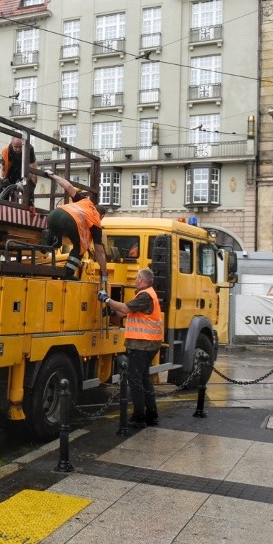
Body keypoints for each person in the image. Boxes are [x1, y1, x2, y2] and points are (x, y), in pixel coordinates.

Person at [98, 268, 164, 427]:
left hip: (142, 344)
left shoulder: (145, 295)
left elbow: (126, 308)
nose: (135, 280)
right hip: (148, 344)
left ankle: (139, 417)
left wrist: (106, 299)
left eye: (136, 278)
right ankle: (151, 415)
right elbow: (124, 313)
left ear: (142, 280)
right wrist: (111, 311)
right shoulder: (146, 295)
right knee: (144, 379)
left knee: (135, 380)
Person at [43, 172, 108, 281]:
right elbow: (99, 251)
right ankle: (68, 273)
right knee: (80, 247)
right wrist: (105, 273)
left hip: (54, 215)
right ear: (101, 215)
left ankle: (48, 238)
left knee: (57, 243)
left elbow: (68, 187)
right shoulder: (96, 221)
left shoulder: (85, 201)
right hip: (69, 222)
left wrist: (53, 175)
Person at [0, 136, 37, 206]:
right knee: (2, 187)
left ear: (23, 144)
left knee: (29, 187)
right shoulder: (7, 150)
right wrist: (1, 178)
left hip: (25, 171)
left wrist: (27, 179)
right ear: (11, 144)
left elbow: (33, 168)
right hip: (12, 171)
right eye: (16, 147)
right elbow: (2, 168)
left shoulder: (29, 149)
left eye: (20, 147)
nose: (18, 149)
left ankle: (30, 206)